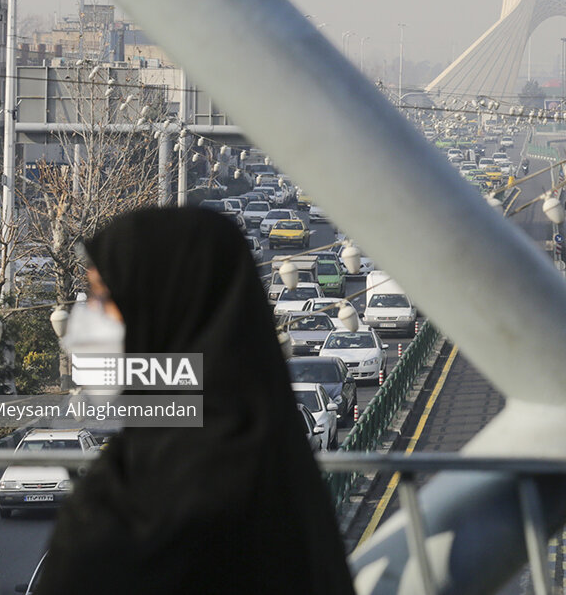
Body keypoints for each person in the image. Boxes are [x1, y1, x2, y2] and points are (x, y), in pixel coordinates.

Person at [38, 207, 354, 594]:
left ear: (166, 308)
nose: (86, 318)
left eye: (101, 296)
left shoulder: (181, 495)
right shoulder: (273, 466)